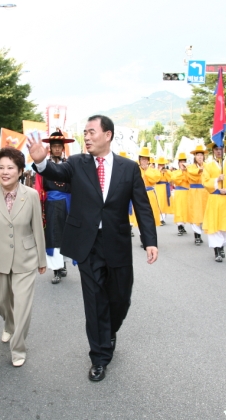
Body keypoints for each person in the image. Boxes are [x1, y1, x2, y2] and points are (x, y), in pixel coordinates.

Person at [28, 114, 158, 382]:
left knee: (120, 298)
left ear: (107, 135)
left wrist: (150, 240)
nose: (86, 137)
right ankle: (99, 357)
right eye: (84, 132)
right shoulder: (76, 163)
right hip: (87, 243)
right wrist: (40, 161)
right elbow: (55, 172)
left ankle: (110, 329)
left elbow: (142, 206)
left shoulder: (128, 168)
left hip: (117, 242)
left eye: (91, 132)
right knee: (94, 300)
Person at [0, 147, 46, 367]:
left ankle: (18, 348)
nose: (5, 172)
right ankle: (8, 323)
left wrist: (42, 260)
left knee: (23, 305)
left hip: (25, 258)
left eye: (10, 168)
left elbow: (37, 227)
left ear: (20, 171)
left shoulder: (31, 195)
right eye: (1, 167)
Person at [36, 130, 74, 284]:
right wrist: (39, 207)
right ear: (50, 148)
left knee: (66, 234)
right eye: (55, 146)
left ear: (63, 148)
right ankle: (56, 270)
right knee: (53, 234)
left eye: (60, 146)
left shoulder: (69, 165)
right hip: (51, 204)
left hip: (68, 203)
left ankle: (63, 264)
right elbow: (39, 187)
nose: (57, 149)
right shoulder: (44, 166)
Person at [202, 142, 226, 262]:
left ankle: (222, 245)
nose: (218, 151)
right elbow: (205, 182)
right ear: (213, 151)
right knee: (214, 226)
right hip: (214, 199)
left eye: (220, 149)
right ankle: (217, 250)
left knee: (225, 226)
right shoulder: (208, 166)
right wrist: (217, 179)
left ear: (224, 150)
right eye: (216, 149)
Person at [185, 145, 209, 245]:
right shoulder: (190, 167)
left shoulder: (207, 166)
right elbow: (191, 173)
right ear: (194, 156)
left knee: (204, 213)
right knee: (195, 214)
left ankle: (201, 233)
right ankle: (197, 236)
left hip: (204, 192)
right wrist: (200, 170)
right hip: (194, 192)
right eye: (198, 155)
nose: (199, 157)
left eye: (201, 155)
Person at [170, 152, 190, 236]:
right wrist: (181, 172)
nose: (182, 163)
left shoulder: (188, 171)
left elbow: (190, 179)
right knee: (179, 209)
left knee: (186, 209)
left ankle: (183, 225)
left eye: (184, 161)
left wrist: (186, 170)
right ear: (178, 163)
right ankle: (179, 226)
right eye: (181, 162)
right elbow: (175, 179)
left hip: (187, 192)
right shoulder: (176, 172)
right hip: (179, 192)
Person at [155, 156, 173, 225]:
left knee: (165, 203)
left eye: (163, 165)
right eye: (160, 164)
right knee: (159, 203)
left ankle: (163, 218)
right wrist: (159, 171)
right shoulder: (156, 171)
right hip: (158, 187)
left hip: (165, 188)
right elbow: (156, 179)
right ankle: (159, 218)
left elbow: (170, 179)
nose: (161, 166)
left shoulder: (167, 171)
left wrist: (166, 172)